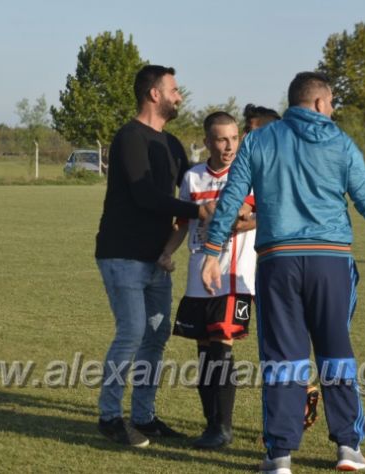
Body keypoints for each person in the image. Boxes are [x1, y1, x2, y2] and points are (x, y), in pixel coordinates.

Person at [201, 72, 365, 473]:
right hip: (331, 262)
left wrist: (213, 250)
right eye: (333, 102)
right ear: (321, 103)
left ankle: (280, 455)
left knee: (282, 358)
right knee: (336, 350)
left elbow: (232, 196)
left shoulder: (259, 140)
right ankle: (348, 449)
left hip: (278, 261)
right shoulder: (340, 142)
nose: (333, 109)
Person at [95, 65, 215, 448]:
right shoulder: (130, 138)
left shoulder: (173, 144)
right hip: (123, 256)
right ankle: (110, 417)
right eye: (174, 90)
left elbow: (195, 183)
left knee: (156, 334)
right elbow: (146, 196)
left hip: (157, 261)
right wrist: (199, 212)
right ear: (154, 94)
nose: (180, 97)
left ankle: (143, 417)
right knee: (132, 331)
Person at [157, 111, 256, 450]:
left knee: (221, 350)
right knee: (203, 355)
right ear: (208, 141)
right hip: (199, 277)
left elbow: (260, 216)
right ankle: (211, 424)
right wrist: (167, 252)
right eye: (221, 140)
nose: (229, 146)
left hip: (233, 279)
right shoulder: (194, 178)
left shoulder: (247, 174)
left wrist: (236, 222)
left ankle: (223, 429)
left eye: (233, 138)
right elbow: (183, 223)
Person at [242, 104, 322, 432]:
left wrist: (243, 219)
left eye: (253, 129)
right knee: (279, 343)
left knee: (279, 345)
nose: (248, 136)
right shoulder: (255, 163)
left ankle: (285, 416)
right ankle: (298, 396)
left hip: (273, 267)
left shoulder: (276, 167)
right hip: (253, 266)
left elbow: (265, 213)